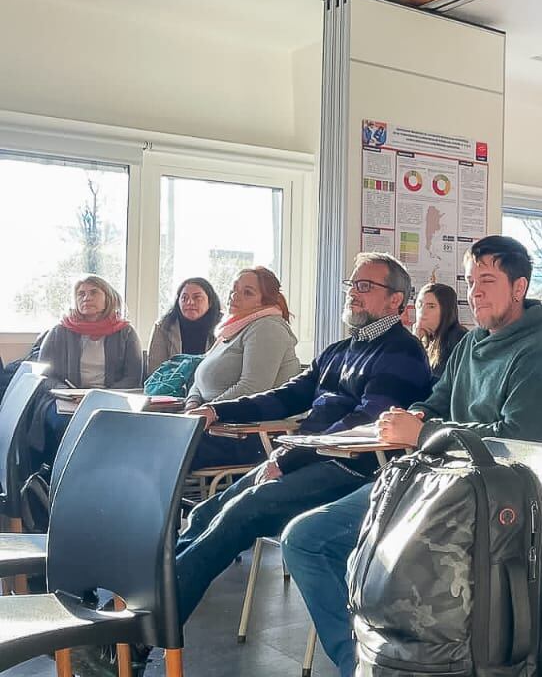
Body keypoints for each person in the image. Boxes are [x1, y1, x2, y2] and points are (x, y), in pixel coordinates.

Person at [280, 236, 542, 676]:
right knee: (303, 538)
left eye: (488, 281)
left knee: (326, 544)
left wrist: (424, 432)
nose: (474, 291)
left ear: (519, 287)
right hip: (436, 481)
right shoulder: (473, 343)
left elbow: (517, 442)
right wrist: (416, 415)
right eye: (472, 280)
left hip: (491, 503)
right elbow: (437, 402)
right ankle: (359, 663)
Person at [171, 253, 432, 633]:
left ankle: (150, 630)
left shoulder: (403, 353)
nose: (353, 294)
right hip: (307, 458)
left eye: (365, 286)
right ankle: (149, 608)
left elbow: (365, 423)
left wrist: (291, 456)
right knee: (207, 511)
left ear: (395, 300)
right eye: (351, 285)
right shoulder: (341, 349)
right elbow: (286, 397)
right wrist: (217, 410)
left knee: (243, 510)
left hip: (354, 468)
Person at [184, 267, 302, 469]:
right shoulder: (232, 329)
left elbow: (253, 387)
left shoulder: (267, 327)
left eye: (247, 292)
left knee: (157, 448)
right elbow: (199, 378)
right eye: (234, 289)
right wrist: (192, 405)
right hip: (212, 427)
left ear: (265, 301)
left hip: (247, 435)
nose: (234, 296)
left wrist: (210, 411)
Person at [39, 275, 143, 389]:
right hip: (67, 397)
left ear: (108, 298)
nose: (86, 298)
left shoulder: (126, 333)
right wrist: (65, 391)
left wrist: (103, 395)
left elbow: (133, 378)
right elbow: (44, 375)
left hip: (112, 397)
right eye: (81, 294)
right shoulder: (59, 332)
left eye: (94, 293)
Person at [147, 277, 221, 375]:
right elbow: (156, 371)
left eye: (197, 298)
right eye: (184, 298)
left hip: (212, 387)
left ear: (210, 301)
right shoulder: (163, 326)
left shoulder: (224, 327)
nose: (190, 302)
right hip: (172, 386)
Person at [413, 282, 467, 374]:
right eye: (420, 305)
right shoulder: (427, 337)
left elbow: (433, 382)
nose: (422, 312)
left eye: (431, 306)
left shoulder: (458, 339)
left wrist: (415, 344)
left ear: (446, 310)